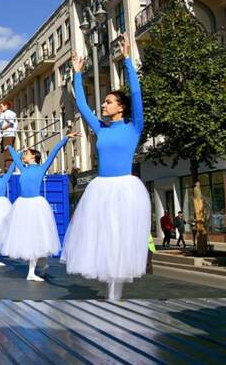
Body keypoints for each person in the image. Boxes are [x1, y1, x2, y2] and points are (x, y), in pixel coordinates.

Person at [61, 35, 150, 301]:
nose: (103, 105)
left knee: (121, 238)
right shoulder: (100, 128)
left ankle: (116, 292)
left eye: (109, 102)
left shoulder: (134, 126)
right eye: (104, 102)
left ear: (121, 107)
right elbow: (83, 106)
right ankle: (111, 292)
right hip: (100, 188)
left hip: (125, 188)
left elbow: (136, 93)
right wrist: (76, 75)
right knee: (104, 237)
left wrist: (127, 61)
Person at [0, 134, 77, 281]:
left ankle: (37, 268)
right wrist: (10, 147)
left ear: (34, 157)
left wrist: (66, 138)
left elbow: (54, 151)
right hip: (23, 205)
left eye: (27, 154)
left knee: (37, 236)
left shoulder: (42, 168)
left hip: (35, 205)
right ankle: (33, 271)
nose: (24, 155)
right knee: (28, 236)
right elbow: (16, 158)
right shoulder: (22, 167)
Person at [0, 100, 17, 168]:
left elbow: (11, 122)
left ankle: (8, 168)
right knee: (5, 152)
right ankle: (6, 167)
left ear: (6, 106)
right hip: (5, 135)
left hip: (8, 134)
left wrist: (3, 128)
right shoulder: (5, 113)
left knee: (7, 152)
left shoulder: (8, 113)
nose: (0, 108)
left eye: (1, 106)